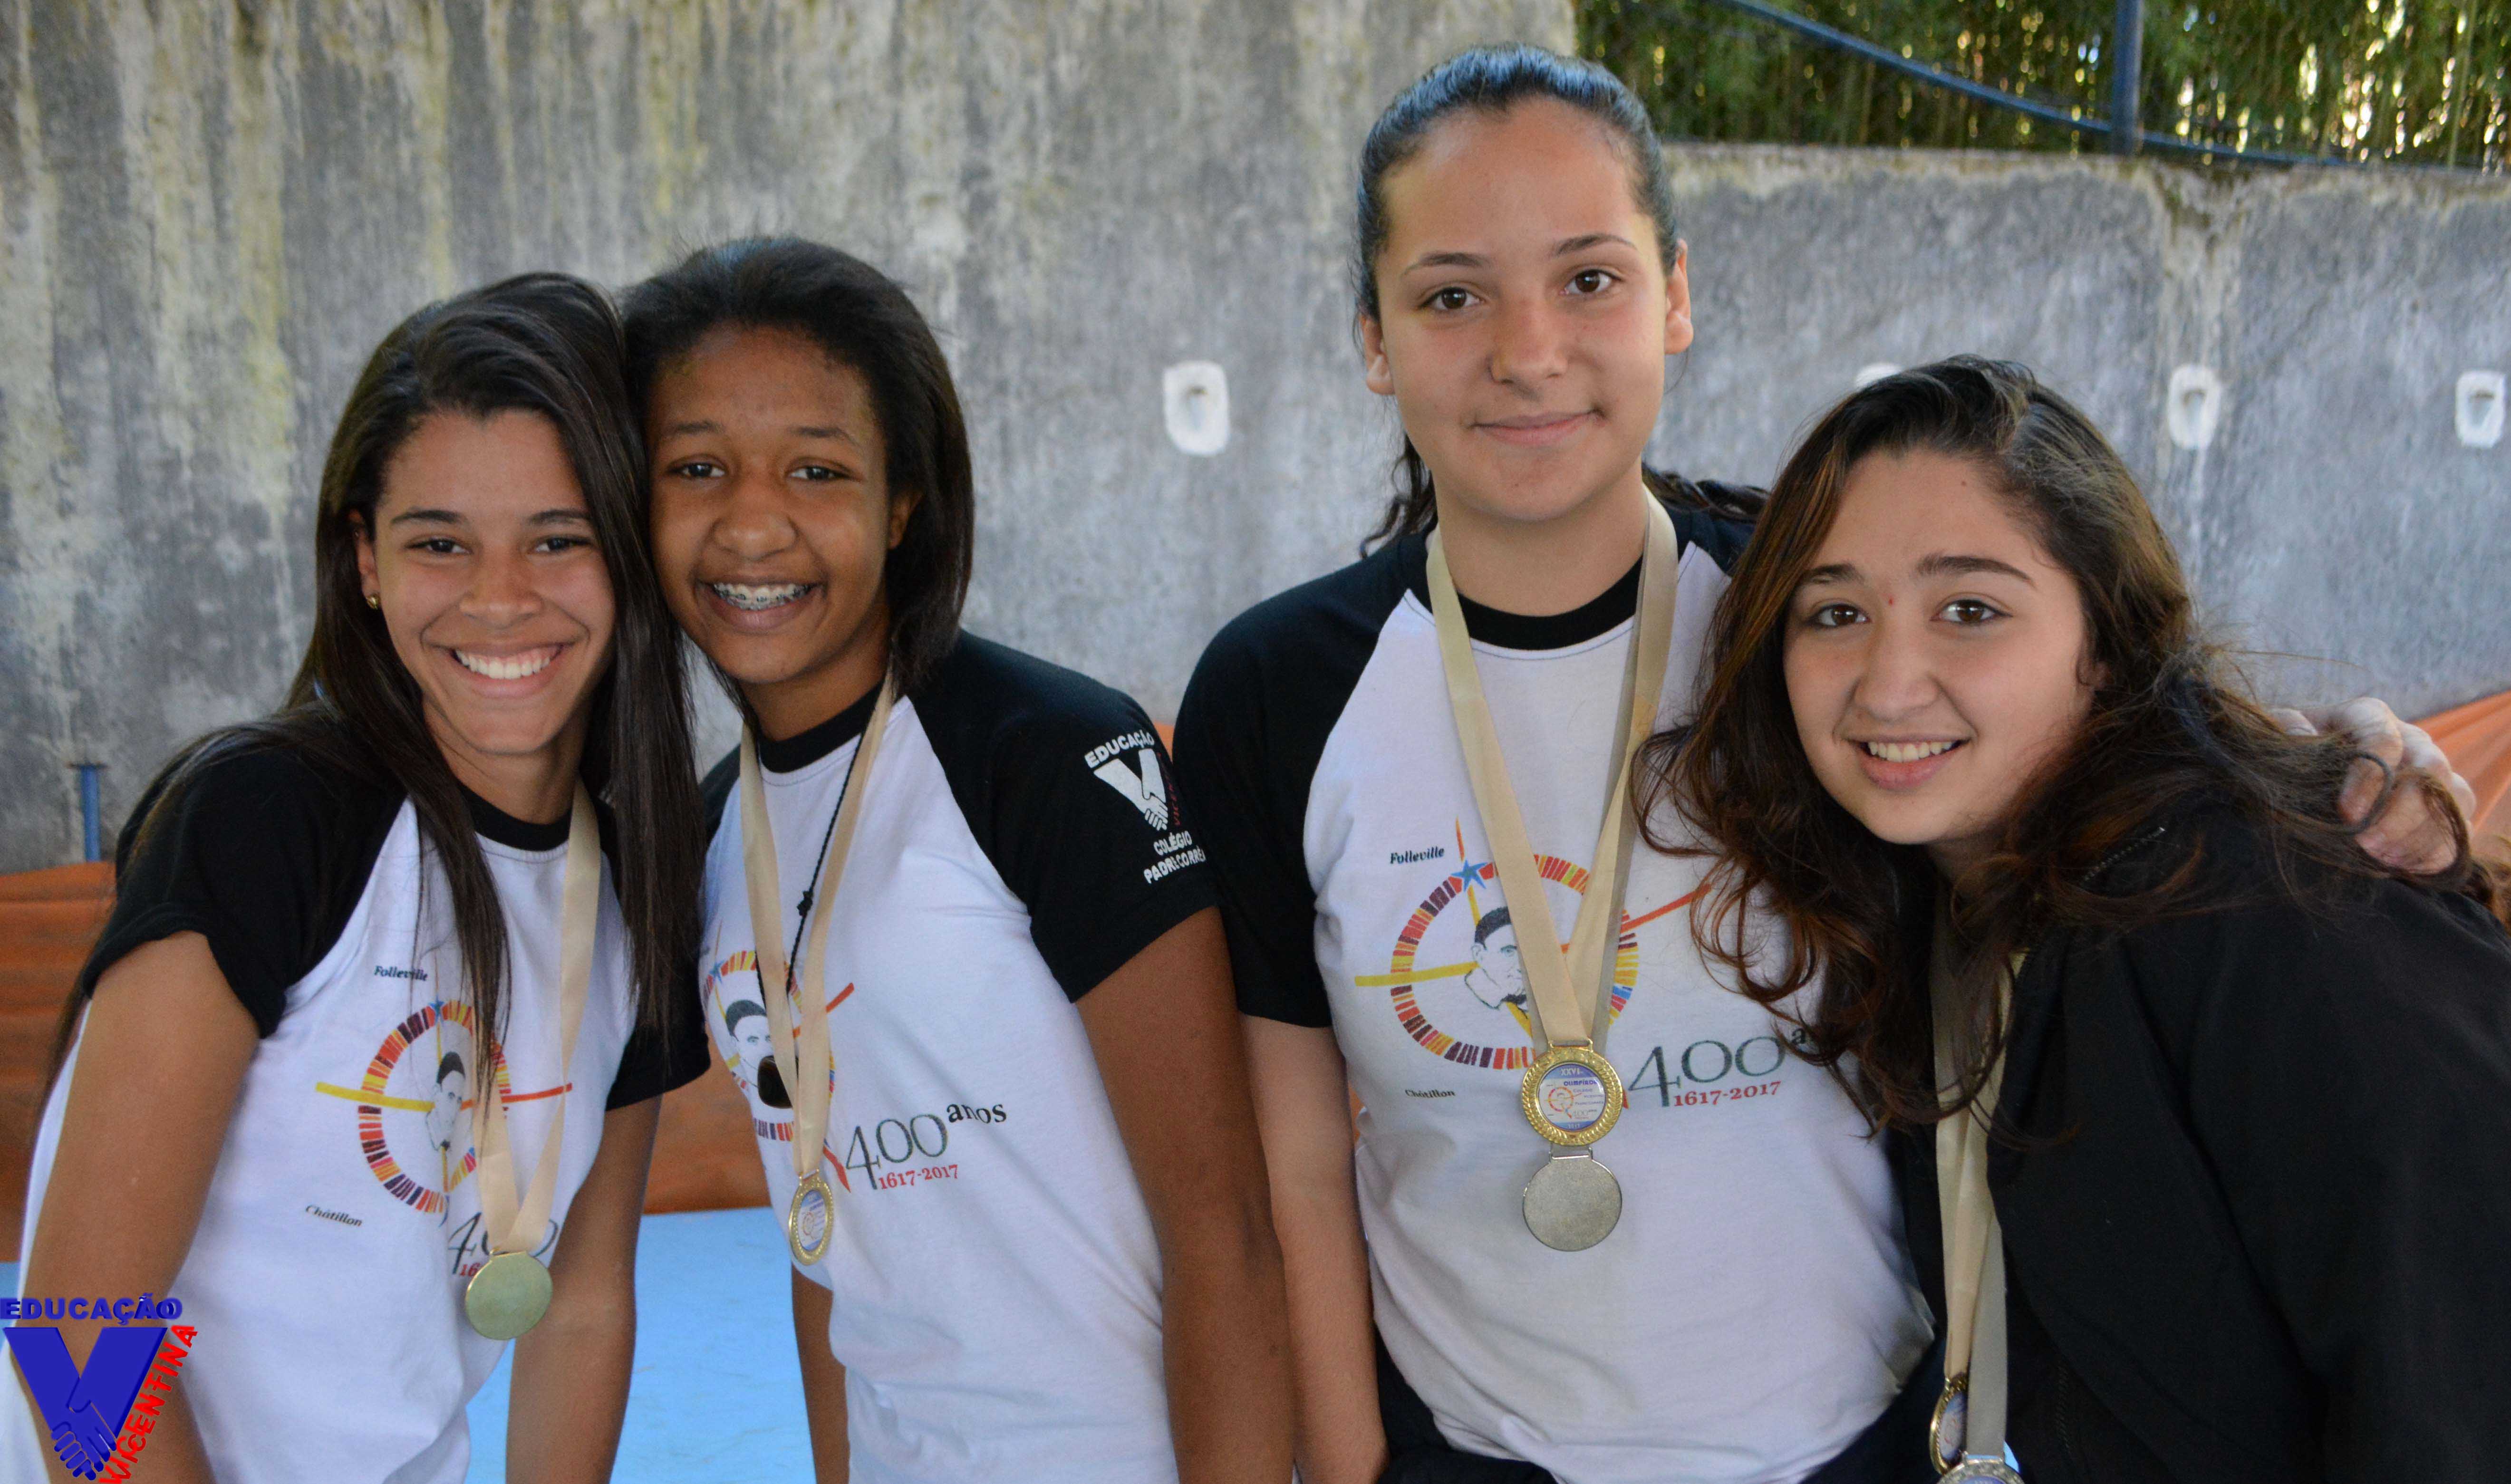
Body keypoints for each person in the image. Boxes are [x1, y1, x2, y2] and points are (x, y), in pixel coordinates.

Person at [1172, 45, 2472, 1484]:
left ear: (1676, 295)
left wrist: (2317, 769)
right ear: (1373, 338)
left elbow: (2075, 728)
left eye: (1590, 278)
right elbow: (1297, 1163)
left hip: (1875, 1439)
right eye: (1451, 296)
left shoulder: (1805, 611)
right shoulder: (1278, 692)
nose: (1527, 350)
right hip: (1473, 1452)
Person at [1656, 355, 2511, 1482]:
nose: (1887, 683)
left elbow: (2458, 1386)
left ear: (2105, 642)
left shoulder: (2275, 900)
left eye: (1970, 610)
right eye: (1836, 612)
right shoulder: (1937, 900)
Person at [4, 273, 710, 1483]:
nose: (501, 596)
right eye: (439, 542)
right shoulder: (267, 817)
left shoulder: (639, 882)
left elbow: (584, 1305)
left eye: (559, 538)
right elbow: (76, 1330)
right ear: (365, 561)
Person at [621, 237, 1291, 1484]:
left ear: (903, 503)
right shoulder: (715, 831)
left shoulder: (1044, 753)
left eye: (817, 469)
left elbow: (1226, 1229)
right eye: (696, 468)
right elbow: (825, 1243)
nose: (752, 523)